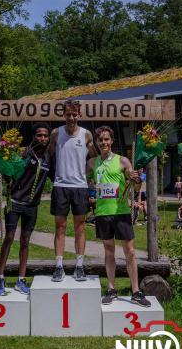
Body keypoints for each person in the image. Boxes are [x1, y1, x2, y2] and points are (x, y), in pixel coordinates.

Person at [87, 126, 151, 307]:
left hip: (121, 212)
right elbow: (83, 178)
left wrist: (137, 179)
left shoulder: (123, 161)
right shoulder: (92, 163)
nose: (104, 143)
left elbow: (136, 187)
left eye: (107, 139)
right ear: (97, 142)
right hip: (102, 213)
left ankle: (136, 291)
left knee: (130, 252)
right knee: (109, 252)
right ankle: (112, 289)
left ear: (112, 141)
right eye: (100, 140)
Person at [0, 122, 53, 296]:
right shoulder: (23, 152)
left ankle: (21, 279)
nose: (42, 138)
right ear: (34, 136)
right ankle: (0, 276)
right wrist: (5, 171)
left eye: (45, 135)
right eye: (39, 135)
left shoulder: (48, 157)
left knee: (25, 241)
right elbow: (8, 171)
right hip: (15, 202)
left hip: (32, 206)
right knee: (9, 238)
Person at [49, 100, 97, 282]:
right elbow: (48, 155)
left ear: (79, 115)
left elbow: (94, 158)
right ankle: (59, 266)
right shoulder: (56, 133)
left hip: (80, 187)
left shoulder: (86, 134)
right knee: (60, 227)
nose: (71, 117)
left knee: (80, 228)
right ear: (64, 114)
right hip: (60, 186)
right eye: (68, 114)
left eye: (74, 114)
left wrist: (85, 172)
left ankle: (79, 266)